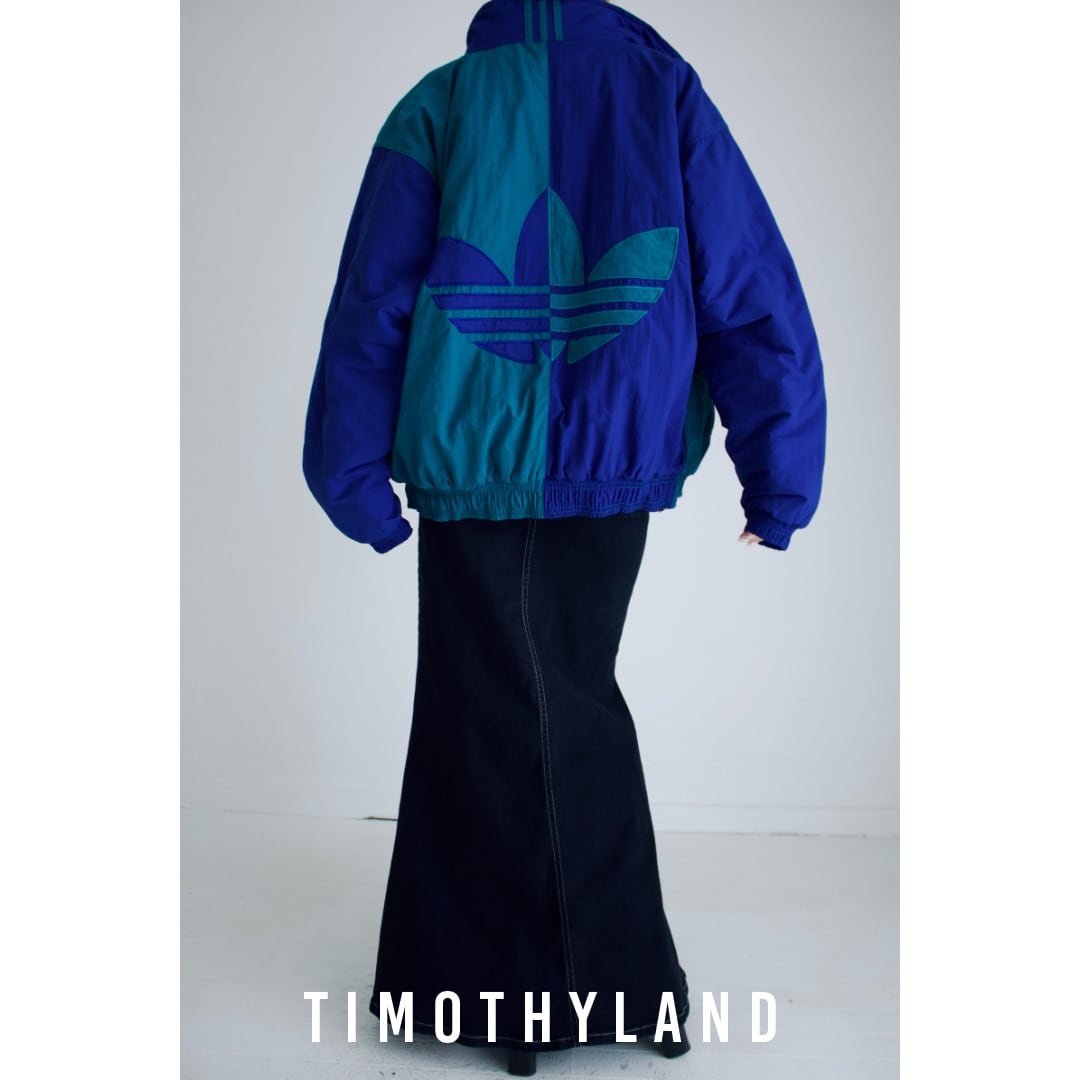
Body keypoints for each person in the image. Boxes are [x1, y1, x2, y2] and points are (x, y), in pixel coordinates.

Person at [301, 0, 827, 1074]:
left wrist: (348, 473)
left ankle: (550, 991)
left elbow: (372, 302)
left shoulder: (442, 103)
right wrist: (779, 470)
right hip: (611, 450)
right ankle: (516, 982)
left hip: (472, 452)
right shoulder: (662, 94)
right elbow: (748, 285)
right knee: (529, 699)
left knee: (506, 706)